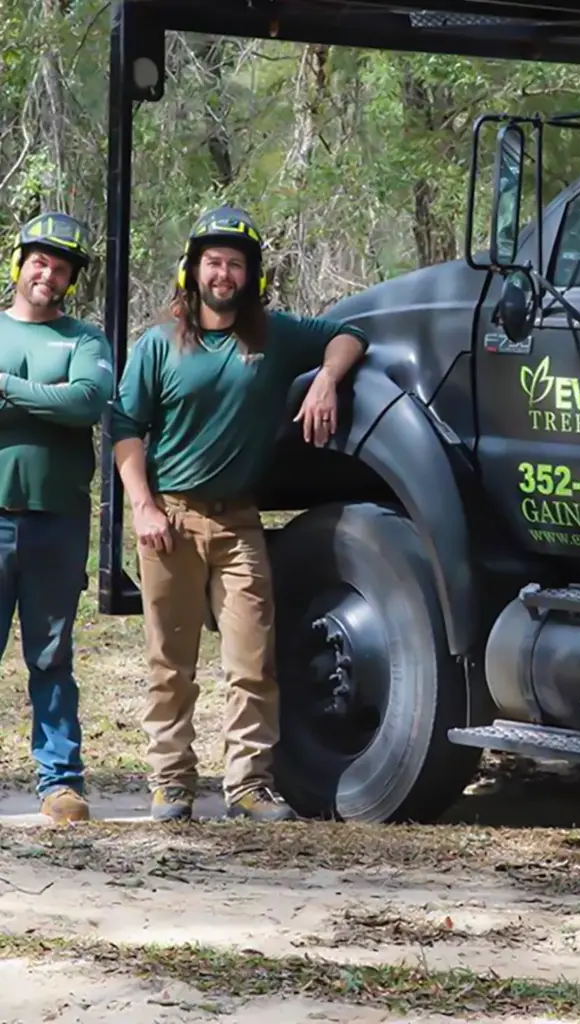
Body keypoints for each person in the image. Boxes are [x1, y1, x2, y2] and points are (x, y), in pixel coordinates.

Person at [110, 205, 369, 824]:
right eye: (213, 262)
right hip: (168, 520)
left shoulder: (273, 336)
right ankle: (171, 782)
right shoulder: (158, 346)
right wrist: (142, 507)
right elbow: (124, 429)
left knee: (252, 661)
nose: (223, 274)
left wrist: (325, 381)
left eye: (235, 265)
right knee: (170, 665)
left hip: (239, 526)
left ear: (250, 277)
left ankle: (248, 786)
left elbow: (350, 334)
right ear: (192, 271)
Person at [0, 211, 114, 823]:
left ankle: (59, 782)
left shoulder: (85, 340)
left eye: (61, 267)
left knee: (51, 657)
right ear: (20, 263)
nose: (48, 273)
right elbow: (61, 401)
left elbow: (86, 402)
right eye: (40, 261)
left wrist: (7, 389)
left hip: (58, 521)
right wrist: (45, 399)